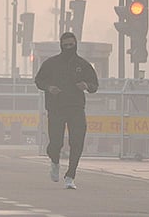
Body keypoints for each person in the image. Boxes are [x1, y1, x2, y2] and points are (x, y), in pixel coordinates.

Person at [34, 31, 98, 190]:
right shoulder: (51, 63)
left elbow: (94, 85)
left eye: (72, 45)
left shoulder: (83, 65)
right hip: (56, 107)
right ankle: (54, 161)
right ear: (61, 45)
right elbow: (39, 80)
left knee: (77, 141)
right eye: (66, 45)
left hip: (76, 107)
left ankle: (70, 175)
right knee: (56, 143)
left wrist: (87, 86)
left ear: (76, 45)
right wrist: (49, 87)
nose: (69, 47)